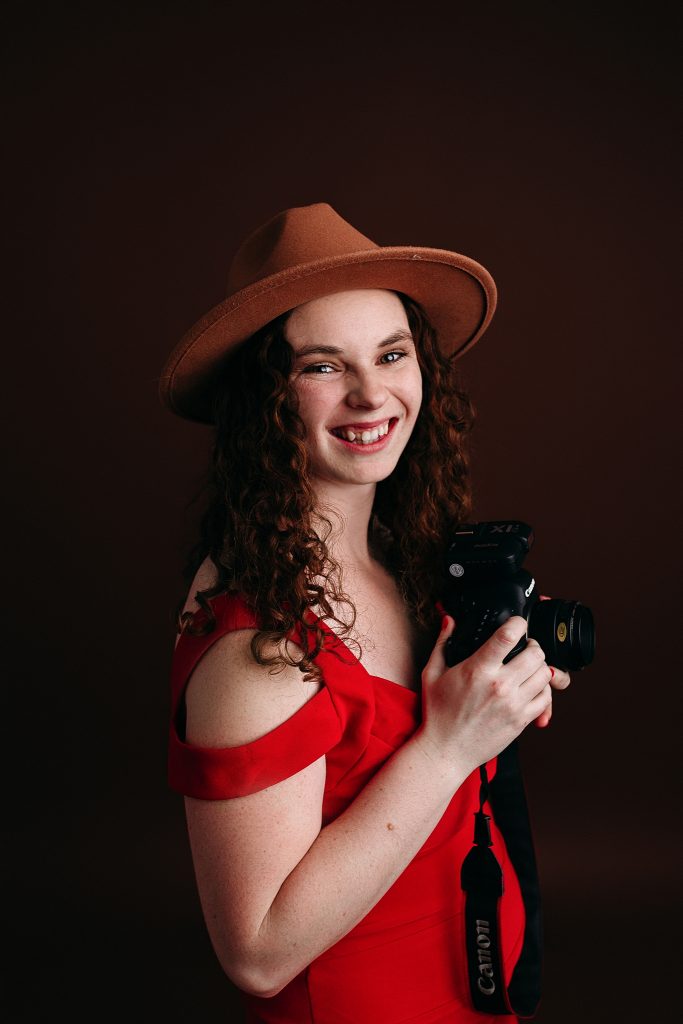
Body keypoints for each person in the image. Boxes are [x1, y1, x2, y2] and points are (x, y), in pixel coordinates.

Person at [157, 202, 571, 1024]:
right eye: (320, 366)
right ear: (263, 400)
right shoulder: (256, 647)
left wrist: (498, 682)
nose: (370, 393)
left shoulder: (393, 555)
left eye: (391, 354)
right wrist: (451, 746)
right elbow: (257, 953)